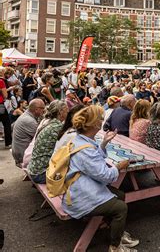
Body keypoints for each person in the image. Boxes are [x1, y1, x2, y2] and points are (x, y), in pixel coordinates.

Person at [65, 105, 139, 252]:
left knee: (120, 194)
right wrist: (118, 166)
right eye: (100, 118)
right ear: (94, 124)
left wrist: (104, 143)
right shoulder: (85, 149)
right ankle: (115, 246)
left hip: (79, 187)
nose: (102, 120)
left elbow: (94, 163)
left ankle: (116, 231)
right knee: (120, 208)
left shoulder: (80, 139)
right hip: (79, 196)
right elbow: (106, 176)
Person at [27, 100, 69, 183]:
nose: (68, 113)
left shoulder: (49, 122)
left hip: (34, 170)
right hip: (41, 174)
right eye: (67, 111)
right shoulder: (57, 127)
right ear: (60, 112)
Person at [11, 99, 45, 166]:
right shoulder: (29, 121)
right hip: (22, 156)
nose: (44, 111)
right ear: (36, 109)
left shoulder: (26, 115)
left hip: (20, 152)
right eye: (42, 108)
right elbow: (42, 138)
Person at [0, 68, 12, 149]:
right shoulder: (1, 81)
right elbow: (5, 95)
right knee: (6, 123)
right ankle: (8, 143)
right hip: (0, 105)